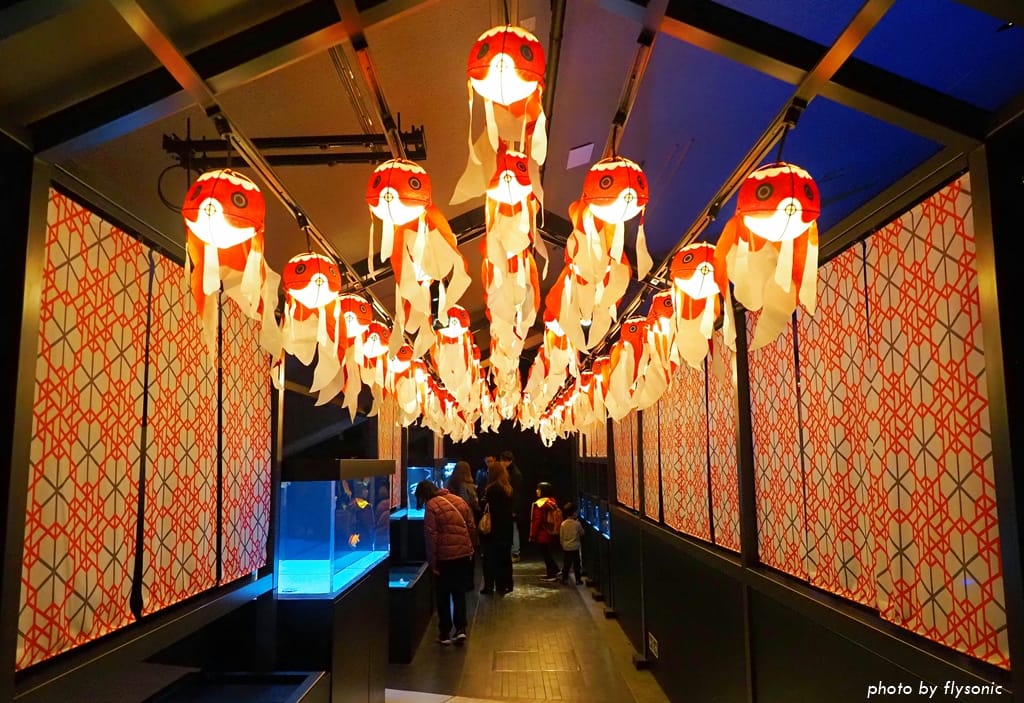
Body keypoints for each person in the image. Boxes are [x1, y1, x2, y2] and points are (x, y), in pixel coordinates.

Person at [415, 479, 476, 645]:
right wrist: (470, 548)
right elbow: (471, 525)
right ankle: (461, 629)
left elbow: (431, 536)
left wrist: (432, 562)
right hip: (463, 554)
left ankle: (445, 633)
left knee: (442, 595)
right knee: (459, 592)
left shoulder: (432, 506)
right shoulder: (458, 500)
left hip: (444, 557)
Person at [479, 460, 515, 595]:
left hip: (493, 529)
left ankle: (489, 586)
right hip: (506, 528)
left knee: (490, 559)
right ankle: (505, 584)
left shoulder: (492, 489)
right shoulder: (508, 488)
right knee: (505, 559)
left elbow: (488, 508)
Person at [530, 481, 561, 581]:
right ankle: (551, 573)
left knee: (546, 554)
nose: (537, 491)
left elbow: (537, 520)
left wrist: (533, 534)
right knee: (548, 553)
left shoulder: (540, 504)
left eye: (539, 489)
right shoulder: (552, 501)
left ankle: (553, 573)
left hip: (542, 533)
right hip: (551, 531)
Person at [501, 450, 524, 561]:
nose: (503, 463)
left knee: (513, 528)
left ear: (509, 461)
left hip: (511, 506)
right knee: (512, 528)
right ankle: (513, 551)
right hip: (510, 505)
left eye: (504, 461)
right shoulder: (512, 472)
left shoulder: (514, 474)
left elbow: (517, 493)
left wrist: (514, 509)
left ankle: (515, 552)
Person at [559, 502, 584, 585]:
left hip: (566, 547)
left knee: (566, 564)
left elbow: (561, 537)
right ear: (573, 513)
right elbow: (582, 533)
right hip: (575, 547)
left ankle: (564, 579)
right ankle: (578, 580)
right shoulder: (577, 524)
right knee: (577, 564)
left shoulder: (563, 524)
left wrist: (563, 545)